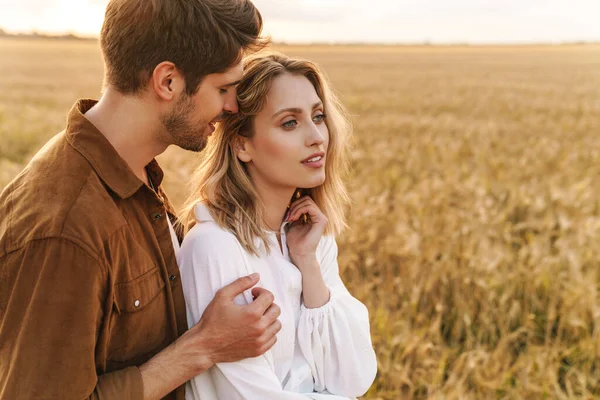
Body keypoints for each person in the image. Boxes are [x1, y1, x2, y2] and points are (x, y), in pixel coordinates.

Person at [0, 1, 281, 399]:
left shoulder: (132, 173)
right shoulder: (66, 230)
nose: (232, 107)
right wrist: (203, 347)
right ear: (167, 81)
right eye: (223, 89)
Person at [178, 52, 378, 399]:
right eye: (290, 123)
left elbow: (353, 377)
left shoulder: (310, 240)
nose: (317, 136)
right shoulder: (215, 247)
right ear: (242, 145)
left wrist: (307, 263)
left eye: (318, 116)